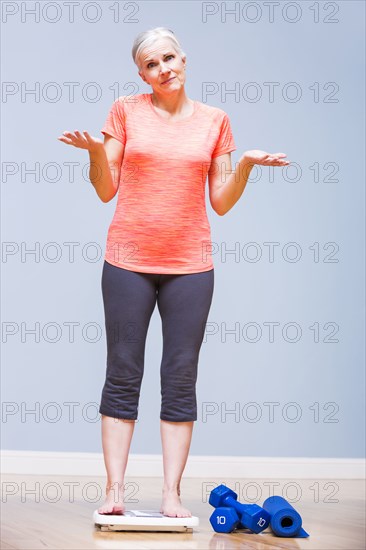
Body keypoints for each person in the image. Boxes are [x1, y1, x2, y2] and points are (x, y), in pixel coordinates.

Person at [57, 26, 290, 518]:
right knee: (122, 373)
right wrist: (98, 154)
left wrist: (244, 165)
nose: (163, 69)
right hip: (127, 263)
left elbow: (221, 202)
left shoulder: (216, 122)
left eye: (168, 58)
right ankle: (115, 492)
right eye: (151, 64)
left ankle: (171, 495)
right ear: (140, 73)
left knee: (180, 377)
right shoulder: (125, 111)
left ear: (184, 59)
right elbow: (105, 190)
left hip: (190, 267)